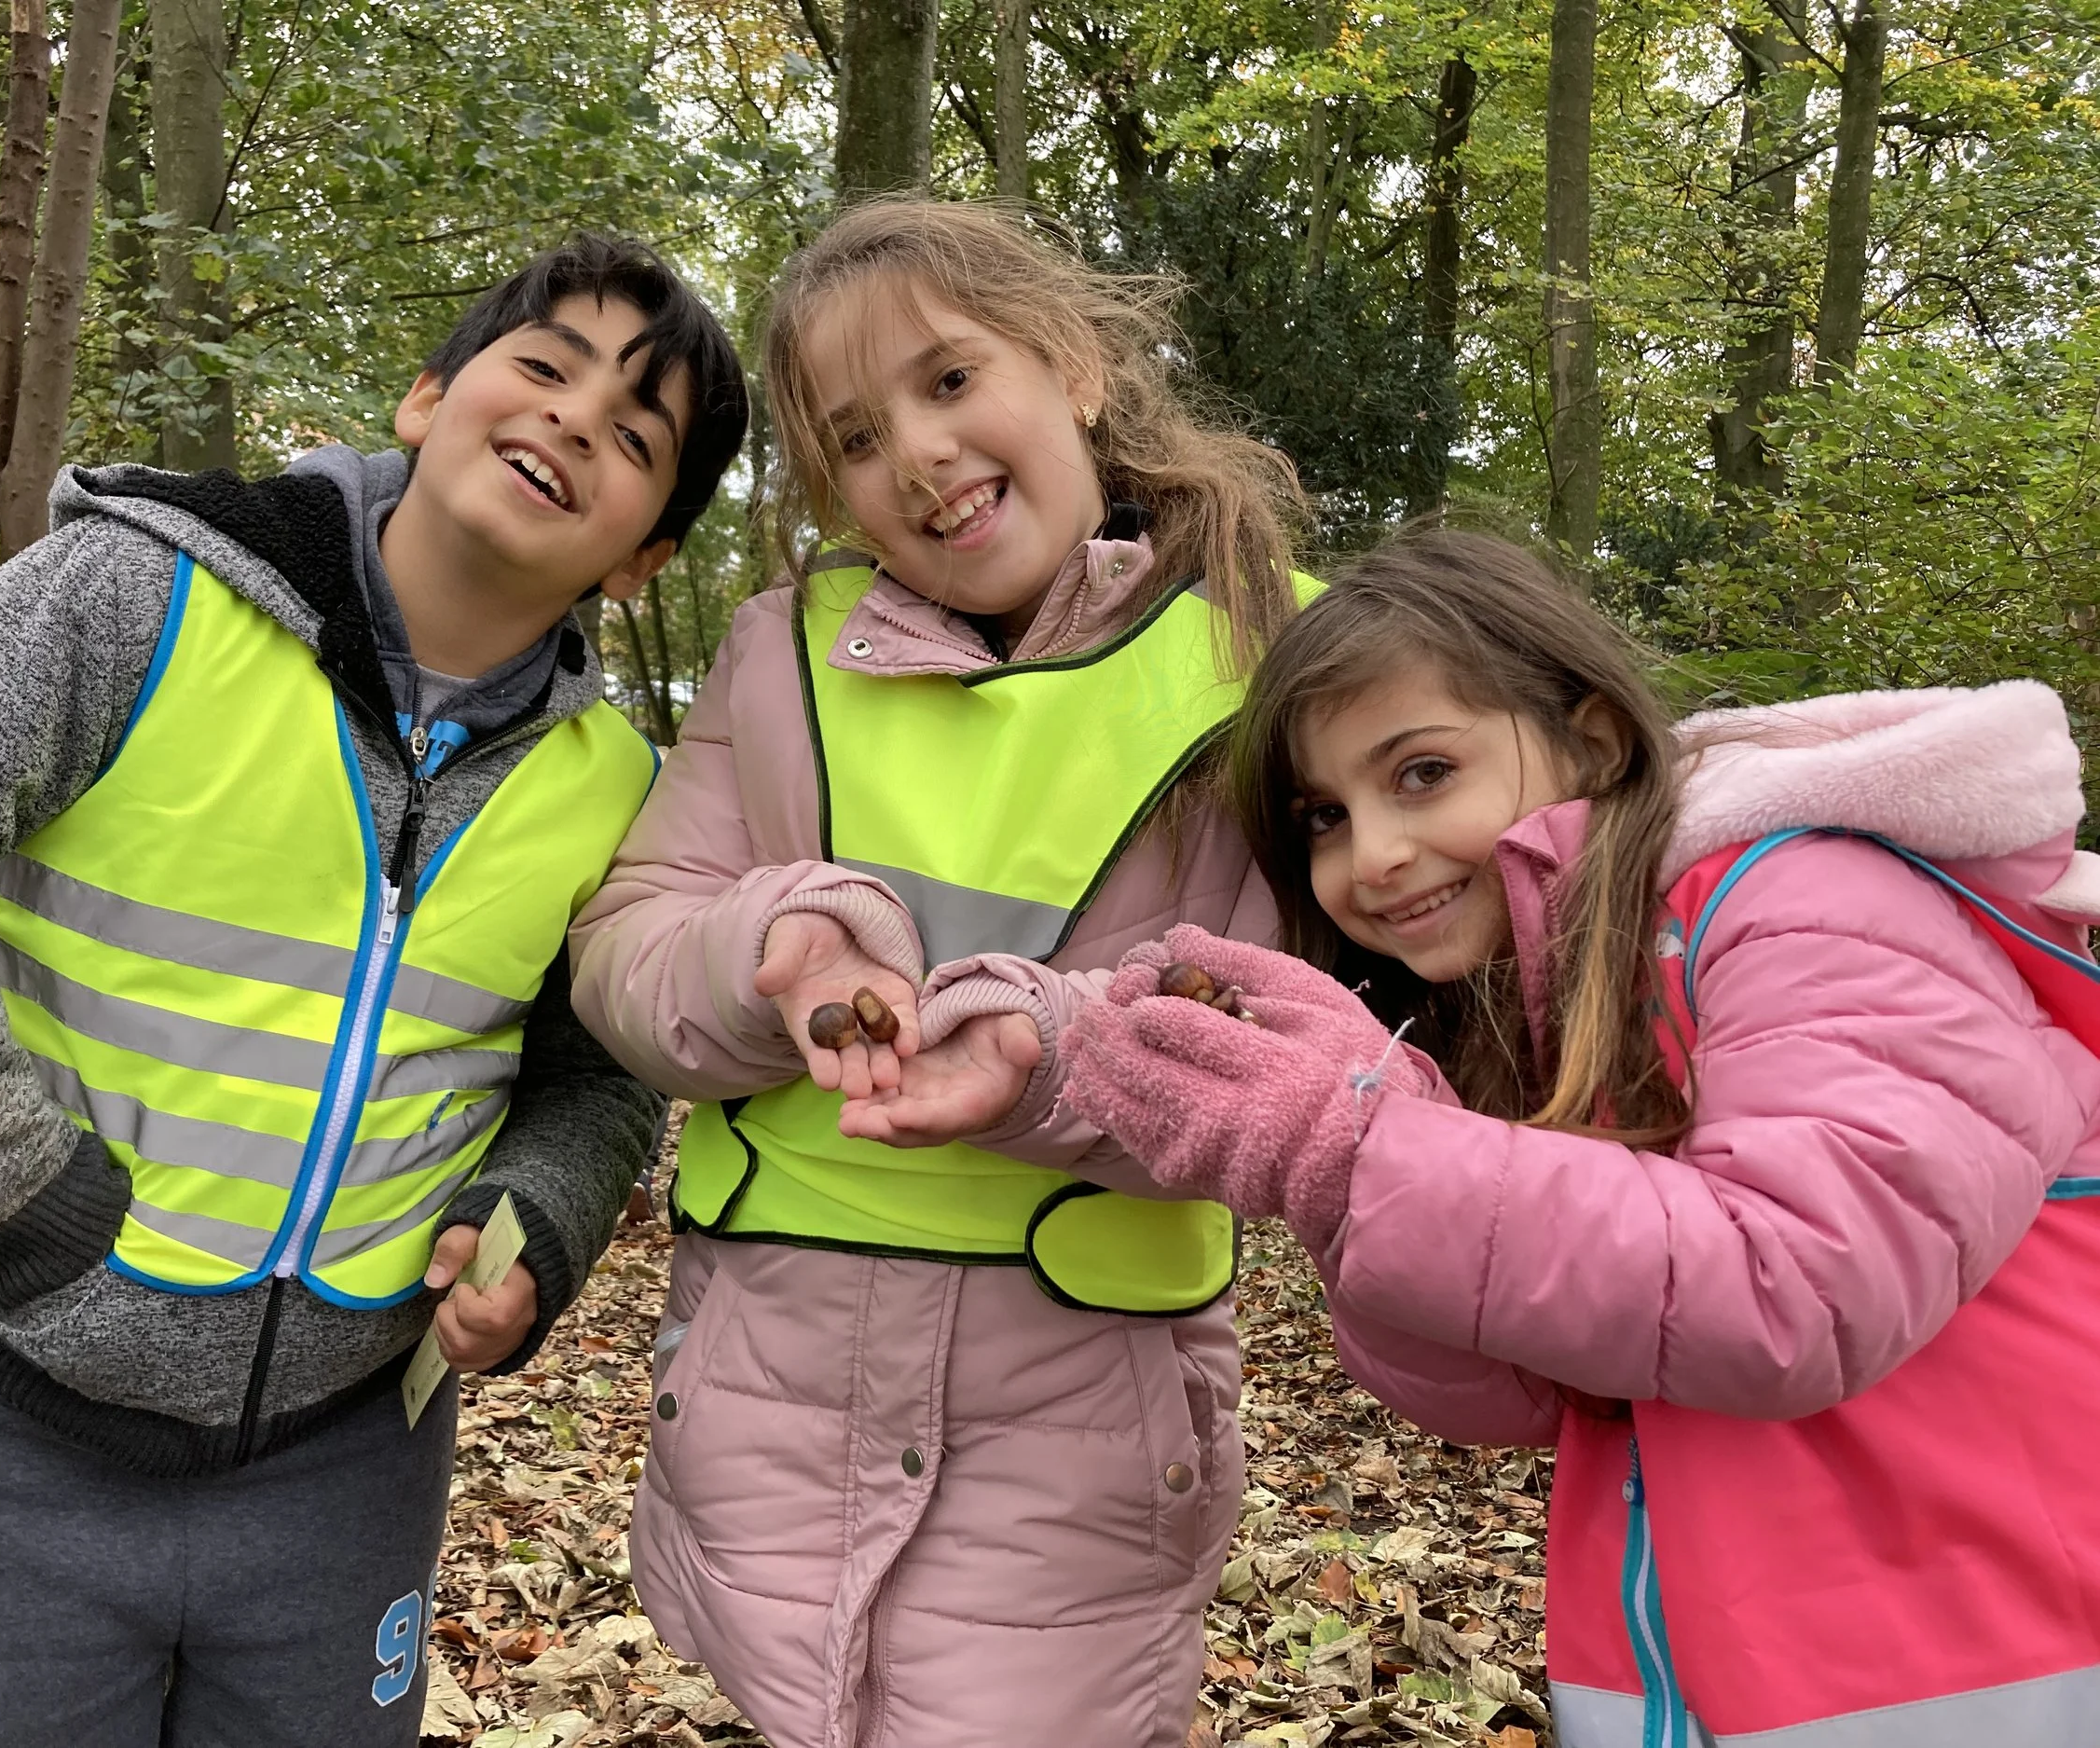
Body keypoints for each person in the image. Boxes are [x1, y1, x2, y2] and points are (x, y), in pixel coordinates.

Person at [0, 235, 748, 1748]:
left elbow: (599, 1069)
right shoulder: (140, 596)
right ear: (428, 399)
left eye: (635, 435)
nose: (570, 420)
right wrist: (6, 1182)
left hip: (346, 1472)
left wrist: (539, 1224)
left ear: (644, 558)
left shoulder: (613, 785)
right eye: (543, 367)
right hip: (13, 1438)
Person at [1060, 528, 2100, 1748]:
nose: (1371, 856)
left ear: (1593, 736)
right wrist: (1361, 1135)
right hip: (1733, 1668)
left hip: (1983, 1661)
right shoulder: (1562, 998)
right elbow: (1539, 1385)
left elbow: (1797, 1285)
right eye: (1324, 817)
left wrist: (1361, 1154)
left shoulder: (1803, 899)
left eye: (1423, 771)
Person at [567, 199, 1307, 1747]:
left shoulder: (1270, 664)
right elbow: (629, 939)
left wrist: (1054, 1045)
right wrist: (769, 946)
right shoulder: (778, 656)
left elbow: (1294, 1024)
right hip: (768, 1399)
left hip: (1082, 1425)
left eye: (952, 380)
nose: (917, 452)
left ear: (1080, 369)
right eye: (853, 434)